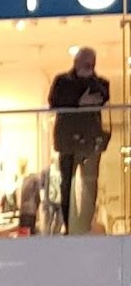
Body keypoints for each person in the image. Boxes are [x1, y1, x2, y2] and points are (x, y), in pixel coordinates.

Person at [47, 47, 110, 235]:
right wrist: (79, 101)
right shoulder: (62, 81)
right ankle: (69, 225)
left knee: (90, 183)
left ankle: (86, 223)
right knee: (67, 183)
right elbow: (55, 101)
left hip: (90, 141)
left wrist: (81, 97)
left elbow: (101, 97)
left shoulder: (100, 83)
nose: (89, 66)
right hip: (68, 141)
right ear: (76, 62)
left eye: (92, 63)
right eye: (85, 63)